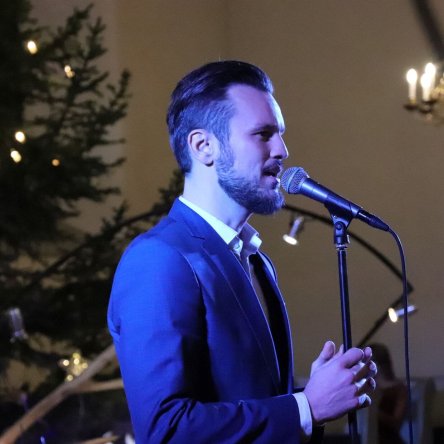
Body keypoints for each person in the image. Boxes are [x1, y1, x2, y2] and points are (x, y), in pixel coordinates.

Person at [107, 60, 377, 443]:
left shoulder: (256, 261)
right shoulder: (159, 260)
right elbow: (166, 430)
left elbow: (252, 400)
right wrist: (306, 407)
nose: (282, 150)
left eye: (280, 134)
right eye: (263, 134)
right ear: (203, 146)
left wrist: (313, 400)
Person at [369, 343, 407, 444]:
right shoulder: (368, 385)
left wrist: (372, 412)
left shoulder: (399, 389)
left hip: (387, 439)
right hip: (366, 436)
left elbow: (396, 422)